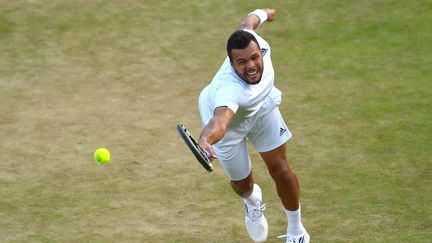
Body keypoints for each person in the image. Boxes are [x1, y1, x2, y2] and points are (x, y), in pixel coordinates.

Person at [197, 8, 310, 243]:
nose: (251, 66)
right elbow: (220, 121)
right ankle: (252, 200)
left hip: (261, 110)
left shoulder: (256, 41)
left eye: (254, 57)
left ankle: (297, 232)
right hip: (229, 130)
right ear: (231, 63)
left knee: (280, 169)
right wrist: (206, 140)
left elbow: (249, 22)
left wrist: (265, 13)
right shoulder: (229, 90)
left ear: (260, 50)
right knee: (241, 185)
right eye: (242, 62)